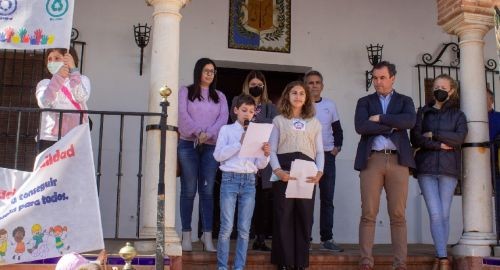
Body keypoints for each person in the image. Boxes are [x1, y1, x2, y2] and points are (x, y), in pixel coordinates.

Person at [354, 61, 416, 270]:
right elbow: (361, 126)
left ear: (392, 78)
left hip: (398, 161)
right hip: (372, 159)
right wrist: (392, 126)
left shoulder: (405, 100)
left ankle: (400, 264)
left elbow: (409, 122)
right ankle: (365, 261)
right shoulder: (364, 101)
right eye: (375, 78)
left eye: (382, 77)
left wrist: (381, 118)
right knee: (368, 212)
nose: (378, 82)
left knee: (398, 214)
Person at [410, 74, 467, 270]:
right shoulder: (423, 112)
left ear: (451, 90)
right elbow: (416, 138)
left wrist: (435, 135)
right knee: (435, 214)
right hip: (425, 168)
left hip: (448, 170)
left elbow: (459, 138)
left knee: (443, 214)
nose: (439, 90)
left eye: (443, 87)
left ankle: (440, 255)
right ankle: (443, 257)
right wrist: (439, 146)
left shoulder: (458, 115)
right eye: (436, 86)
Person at [270, 81, 324, 270]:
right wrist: (277, 171)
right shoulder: (278, 120)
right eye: (294, 92)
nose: (298, 96)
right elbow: (272, 150)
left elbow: (320, 151)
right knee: (284, 215)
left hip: (307, 172)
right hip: (284, 170)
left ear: (307, 98)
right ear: (287, 96)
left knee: (304, 216)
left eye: (302, 93)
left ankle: (300, 262)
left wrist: (319, 172)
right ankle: (284, 262)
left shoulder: (314, 122)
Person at [214, 94, 271, 270]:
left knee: (245, 229)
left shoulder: (258, 132)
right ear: (236, 110)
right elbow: (218, 156)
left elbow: (259, 164)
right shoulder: (226, 130)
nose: (247, 114)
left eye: (251, 111)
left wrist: (266, 154)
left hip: (249, 181)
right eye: (244, 110)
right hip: (230, 178)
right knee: (226, 227)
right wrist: (239, 143)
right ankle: (222, 267)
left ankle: (239, 267)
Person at [178, 57, 229, 252]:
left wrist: (208, 134)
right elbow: (182, 115)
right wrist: (197, 132)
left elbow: (223, 118)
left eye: (213, 71)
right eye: (206, 70)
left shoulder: (220, 96)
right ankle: (186, 236)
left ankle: (207, 237)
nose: (210, 74)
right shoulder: (186, 91)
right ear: (198, 71)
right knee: (188, 190)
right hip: (188, 144)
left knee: (207, 192)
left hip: (210, 147)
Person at [230, 70, 277, 251]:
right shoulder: (237, 101)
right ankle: (241, 237)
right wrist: (261, 122)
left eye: (259, 85)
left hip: (263, 156)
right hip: (243, 157)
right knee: (242, 198)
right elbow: (237, 121)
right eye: (253, 85)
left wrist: (253, 120)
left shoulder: (269, 106)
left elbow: (273, 125)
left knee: (263, 200)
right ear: (246, 86)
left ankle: (260, 238)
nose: (256, 88)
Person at [304, 70, 344, 252]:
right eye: (310, 83)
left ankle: (327, 239)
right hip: (307, 157)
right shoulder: (301, 104)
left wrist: (336, 148)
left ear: (322, 85)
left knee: (327, 199)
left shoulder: (330, 105)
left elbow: (338, 130)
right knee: (307, 199)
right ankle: (306, 239)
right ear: (305, 85)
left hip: (327, 157)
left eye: (317, 82)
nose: (314, 86)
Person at [36, 47, 90, 151]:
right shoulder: (44, 83)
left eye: (57, 58)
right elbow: (44, 103)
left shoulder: (83, 79)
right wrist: (58, 78)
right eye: (49, 59)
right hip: (49, 137)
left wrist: (74, 71)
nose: (52, 62)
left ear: (69, 59)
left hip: (76, 137)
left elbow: (81, 97)